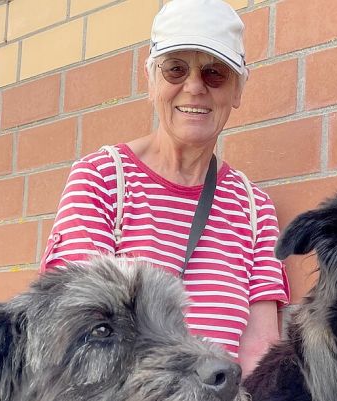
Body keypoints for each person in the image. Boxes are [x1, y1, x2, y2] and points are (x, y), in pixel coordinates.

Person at [39, 0, 289, 376]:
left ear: (237, 90)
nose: (193, 87)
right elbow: (78, 330)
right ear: (152, 81)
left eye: (214, 73)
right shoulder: (102, 180)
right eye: (175, 69)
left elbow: (260, 348)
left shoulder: (254, 208)